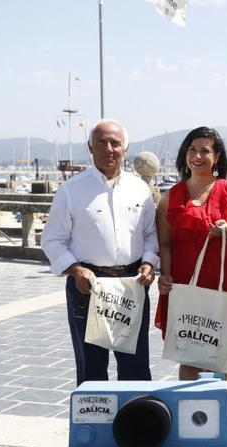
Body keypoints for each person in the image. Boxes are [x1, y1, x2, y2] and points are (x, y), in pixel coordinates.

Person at [41, 119, 158, 386]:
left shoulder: (140, 189)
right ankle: (95, 427)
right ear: (90, 147)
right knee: (91, 370)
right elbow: (52, 240)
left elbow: (151, 234)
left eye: (115, 143)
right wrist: (75, 269)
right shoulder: (71, 190)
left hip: (131, 286)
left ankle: (136, 426)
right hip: (87, 287)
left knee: (136, 368)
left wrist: (150, 262)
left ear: (125, 149)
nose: (109, 149)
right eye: (102, 142)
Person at [154, 126, 227, 381]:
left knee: (217, 353)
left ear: (216, 156)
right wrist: (165, 275)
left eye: (204, 151)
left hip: (222, 280)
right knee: (189, 353)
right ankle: (189, 413)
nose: (197, 156)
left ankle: (216, 411)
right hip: (184, 281)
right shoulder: (170, 197)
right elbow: (164, 243)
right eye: (192, 150)